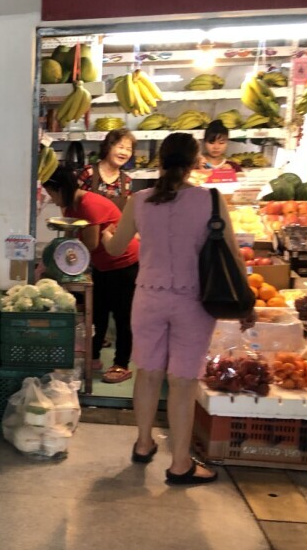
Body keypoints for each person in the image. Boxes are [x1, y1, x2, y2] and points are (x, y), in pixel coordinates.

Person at [103, 133, 244, 486]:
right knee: (182, 382)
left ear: (160, 161)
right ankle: (180, 463)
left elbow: (117, 247)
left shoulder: (139, 200)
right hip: (194, 302)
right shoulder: (210, 200)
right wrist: (246, 302)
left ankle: (143, 442)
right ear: (196, 160)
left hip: (148, 298)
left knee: (147, 373)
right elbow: (232, 254)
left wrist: (107, 235)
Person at [42, 166, 139, 384]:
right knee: (98, 314)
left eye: (51, 193)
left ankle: (122, 364)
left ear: (61, 189)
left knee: (123, 317)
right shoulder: (70, 207)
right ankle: (92, 357)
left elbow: (91, 244)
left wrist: (68, 255)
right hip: (102, 265)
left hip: (124, 264)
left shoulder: (89, 205)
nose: (52, 199)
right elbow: (69, 237)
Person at [77, 128, 135, 209]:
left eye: (128, 149)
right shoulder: (89, 172)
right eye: (120, 147)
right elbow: (69, 201)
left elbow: (128, 212)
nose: (124, 153)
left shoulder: (126, 181)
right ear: (108, 147)